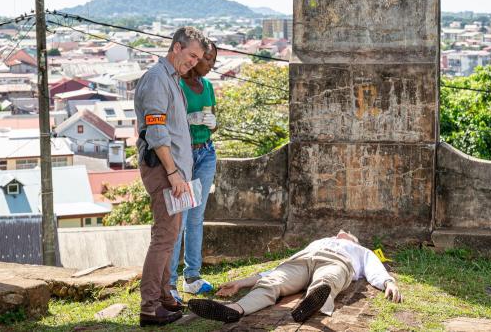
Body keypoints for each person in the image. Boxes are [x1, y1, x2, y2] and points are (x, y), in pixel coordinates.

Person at [134, 26, 209, 327]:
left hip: (175, 171)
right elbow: (156, 131)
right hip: (165, 171)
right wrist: (174, 172)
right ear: (176, 47)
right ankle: (150, 306)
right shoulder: (156, 79)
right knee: (164, 238)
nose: (194, 62)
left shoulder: (172, 79)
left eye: (198, 58)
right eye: (191, 55)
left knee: (170, 235)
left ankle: (164, 296)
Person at [188, 230, 402, 324]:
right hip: (302, 259)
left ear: (352, 239)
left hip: (335, 261)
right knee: (272, 282)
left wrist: (388, 282)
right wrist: (241, 283)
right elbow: (272, 272)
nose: (340, 232)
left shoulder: (358, 249)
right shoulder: (318, 241)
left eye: (345, 232)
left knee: (328, 279)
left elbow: (373, 266)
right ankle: (234, 310)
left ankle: (310, 304)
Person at [168, 41, 219, 300]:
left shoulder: (207, 86)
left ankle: (193, 276)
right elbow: (169, 123)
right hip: (183, 155)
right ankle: (170, 284)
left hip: (206, 152)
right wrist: (189, 121)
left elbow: (213, 121)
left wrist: (212, 124)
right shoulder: (176, 84)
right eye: (206, 59)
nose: (209, 65)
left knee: (196, 217)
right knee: (178, 218)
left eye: (212, 60)